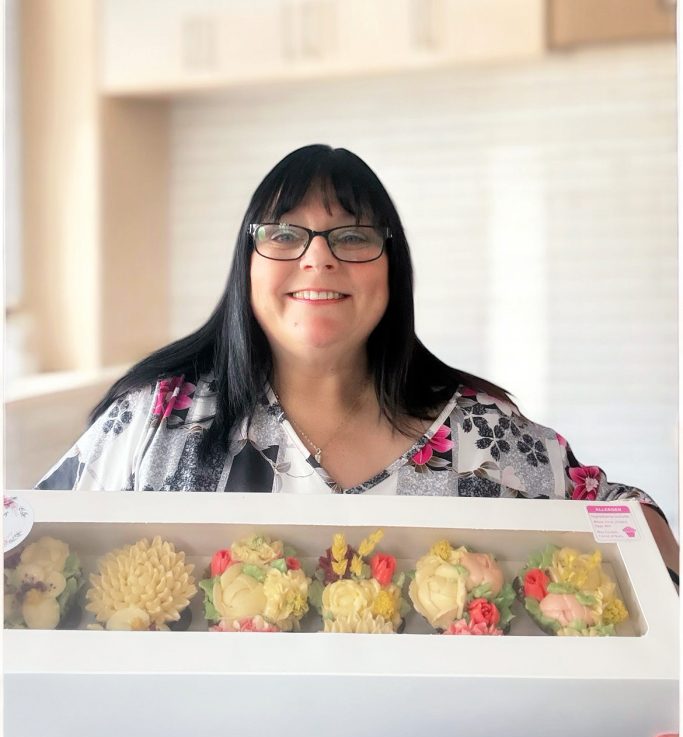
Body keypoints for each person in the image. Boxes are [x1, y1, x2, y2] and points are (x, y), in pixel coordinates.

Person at [37, 144, 679, 578]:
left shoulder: (479, 435)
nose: (318, 259)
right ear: (247, 265)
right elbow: (28, 552)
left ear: (391, 269)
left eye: (351, 236)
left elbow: (624, 515)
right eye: (284, 234)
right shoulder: (155, 421)